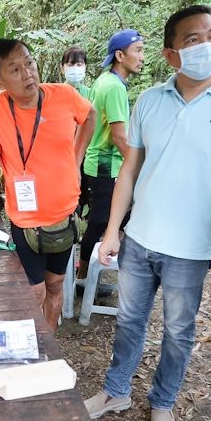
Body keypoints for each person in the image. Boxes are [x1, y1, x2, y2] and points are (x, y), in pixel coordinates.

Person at [83, 6, 211, 421]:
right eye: (193, 39)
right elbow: (129, 170)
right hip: (140, 238)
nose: (207, 45)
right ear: (171, 54)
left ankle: (162, 403)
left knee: (178, 331)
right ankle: (116, 391)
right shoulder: (149, 101)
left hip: (192, 248)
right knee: (128, 321)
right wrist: (112, 231)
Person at [0, 38, 95, 331]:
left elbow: (90, 115)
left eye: (29, 62)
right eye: (15, 69)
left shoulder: (64, 95)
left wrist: (77, 158)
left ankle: (48, 343)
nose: (27, 73)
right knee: (34, 292)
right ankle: (31, 340)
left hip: (65, 215)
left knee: (55, 285)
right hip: (26, 221)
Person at [78, 29, 144, 276]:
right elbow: (119, 137)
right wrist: (138, 167)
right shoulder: (114, 87)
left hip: (97, 163)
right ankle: (84, 278)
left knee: (100, 222)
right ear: (120, 55)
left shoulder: (104, 80)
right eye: (137, 51)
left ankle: (86, 275)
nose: (142, 57)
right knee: (99, 224)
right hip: (105, 165)